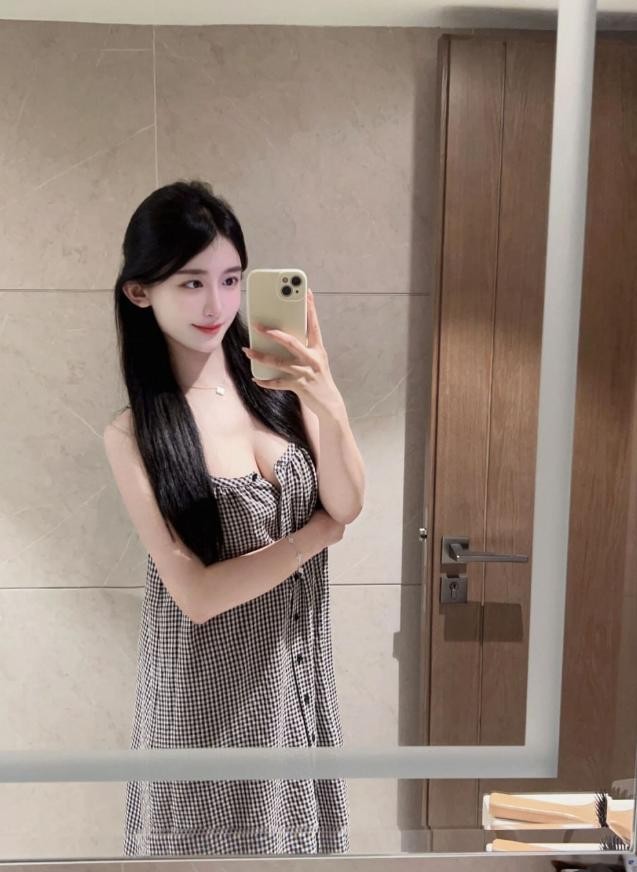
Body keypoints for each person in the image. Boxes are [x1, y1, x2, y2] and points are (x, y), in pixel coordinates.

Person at [102, 179, 363, 856]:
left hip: (294, 692)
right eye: (190, 283)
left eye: (230, 280)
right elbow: (196, 594)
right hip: (203, 715)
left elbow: (347, 503)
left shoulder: (278, 389)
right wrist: (314, 536)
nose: (216, 305)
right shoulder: (134, 433)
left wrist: (326, 396)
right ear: (140, 292)